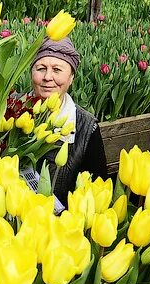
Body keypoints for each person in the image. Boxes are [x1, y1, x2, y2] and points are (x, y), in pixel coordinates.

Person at [28, 35, 107, 201]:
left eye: (57, 70)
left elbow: (96, 187)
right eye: (41, 68)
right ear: (31, 73)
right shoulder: (12, 111)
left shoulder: (85, 126)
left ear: (71, 77)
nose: (48, 77)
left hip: (61, 221)